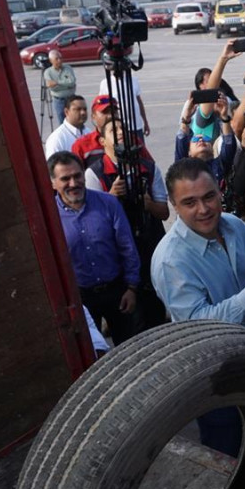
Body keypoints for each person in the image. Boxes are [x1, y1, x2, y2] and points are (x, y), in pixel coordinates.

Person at [151, 158, 245, 453]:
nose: (203, 210)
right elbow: (199, 326)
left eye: (208, 197)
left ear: (219, 192)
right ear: (174, 206)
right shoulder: (171, 261)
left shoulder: (235, 226)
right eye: (189, 202)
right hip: (215, 375)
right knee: (225, 448)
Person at [84, 117, 169, 330]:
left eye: (123, 128)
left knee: (155, 312)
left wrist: (148, 204)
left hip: (149, 248)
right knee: (130, 321)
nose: (121, 131)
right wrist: (110, 198)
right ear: (102, 141)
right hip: (118, 257)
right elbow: (92, 224)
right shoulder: (94, 174)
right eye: (114, 130)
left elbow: (164, 212)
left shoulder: (148, 168)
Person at [48, 151, 141, 346]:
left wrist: (131, 288)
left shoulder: (109, 203)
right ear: (52, 183)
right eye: (65, 178)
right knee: (91, 354)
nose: (73, 183)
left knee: (130, 350)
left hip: (117, 292)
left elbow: (127, 247)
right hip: (81, 299)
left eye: (77, 176)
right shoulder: (49, 218)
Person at [99, 73, 151, 140]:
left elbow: (139, 102)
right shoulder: (105, 83)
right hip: (118, 128)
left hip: (136, 125)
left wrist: (145, 122)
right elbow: (102, 107)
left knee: (139, 149)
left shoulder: (133, 80)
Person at [72, 95, 119, 167]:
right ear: (93, 116)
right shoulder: (81, 145)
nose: (110, 116)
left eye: (114, 111)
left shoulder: (132, 140)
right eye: (105, 112)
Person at [43, 50, 76, 120]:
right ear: (51, 60)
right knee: (62, 120)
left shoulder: (68, 68)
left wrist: (57, 82)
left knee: (75, 119)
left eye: (60, 58)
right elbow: (52, 88)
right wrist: (67, 85)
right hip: (59, 101)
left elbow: (72, 82)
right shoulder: (48, 72)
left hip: (71, 98)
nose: (59, 60)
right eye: (56, 59)